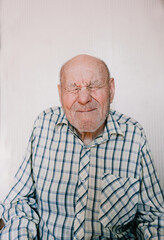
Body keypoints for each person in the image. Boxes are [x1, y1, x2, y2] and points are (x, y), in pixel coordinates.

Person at [0, 54, 164, 240]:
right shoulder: (43, 125)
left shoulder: (134, 134)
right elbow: (20, 201)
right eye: (73, 88)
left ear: (111, 89)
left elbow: (153, 217)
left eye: (94, 86)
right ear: (61, 93)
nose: (84, 98)